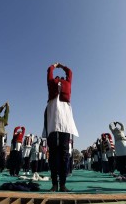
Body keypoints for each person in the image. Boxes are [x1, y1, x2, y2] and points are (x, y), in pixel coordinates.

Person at [43, 62, 79, 192]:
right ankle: (54, 184)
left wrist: (59, 66)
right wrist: (56, 66)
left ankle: (62, 184)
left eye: (61, 78)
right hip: (53, 121)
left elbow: (69, 72)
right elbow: (50, 72)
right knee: (53, 154)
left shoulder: (67, 84)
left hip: (65, 121)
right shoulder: (51, 83)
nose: (59, 79)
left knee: (64, 155)